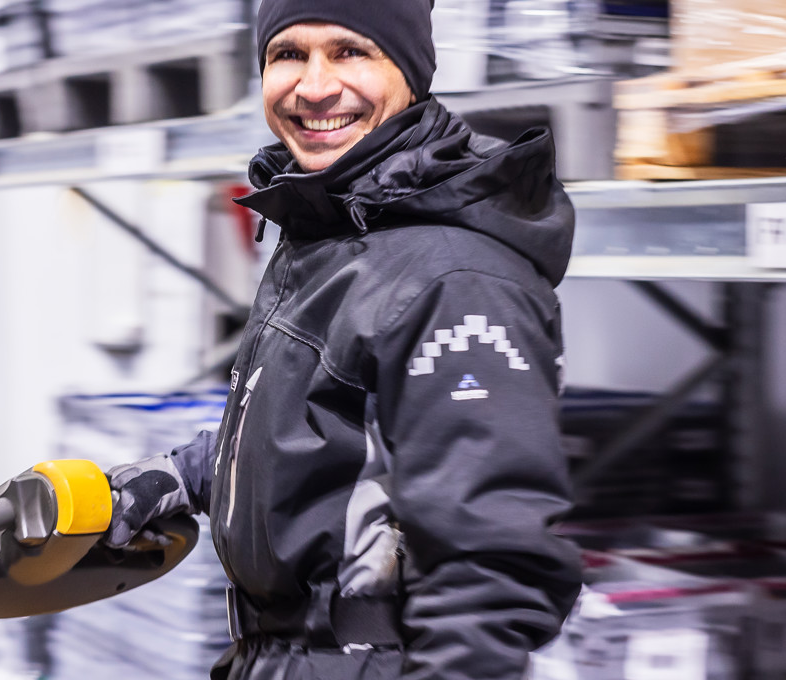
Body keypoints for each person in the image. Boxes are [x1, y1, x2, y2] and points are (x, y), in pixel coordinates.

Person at [102, 0, 581, 677]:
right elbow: (343, 432)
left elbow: (490, 571)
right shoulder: (334, 231)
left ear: (411, 71)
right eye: (288, 54)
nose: (316, 86)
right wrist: (192, 471)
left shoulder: (456, 280)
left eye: (351, 51)